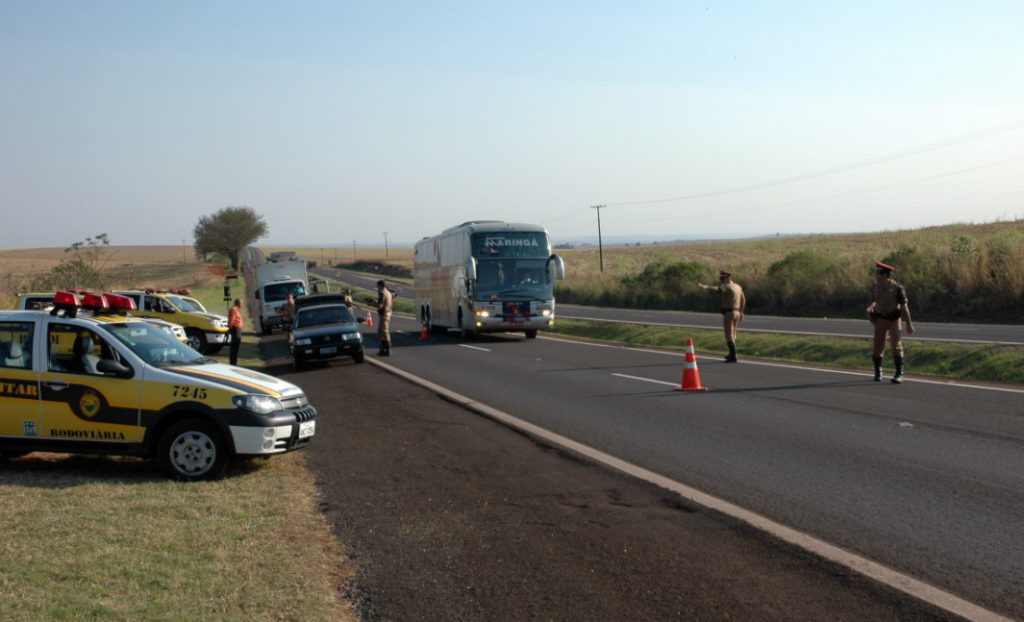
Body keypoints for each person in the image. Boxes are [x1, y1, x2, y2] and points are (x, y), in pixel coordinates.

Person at [866, 261, 915, 383]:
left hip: (894, 319)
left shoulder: (898, 288)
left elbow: (904, 307)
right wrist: (869, 308)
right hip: (880, 319)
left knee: (896, 346)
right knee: (877, 347)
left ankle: (899, 373)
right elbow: (874, 301)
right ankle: (878, 371)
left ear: (884, 274)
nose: (876, 275)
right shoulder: (875, 287)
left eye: (878, 273)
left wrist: (909, 324)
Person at [698, 271, 746, 363]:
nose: (722, 280)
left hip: (729, 313)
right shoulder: (738, 286)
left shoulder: (726, 286)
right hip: (737, 312)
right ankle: (731, 354)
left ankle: (733, 356)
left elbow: (718, 289)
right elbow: (743, 299)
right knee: (733, 334)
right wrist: (741, 312)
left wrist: (706, 287)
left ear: (728, 278)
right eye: (721, 279)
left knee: (729, 335)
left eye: (722, 278)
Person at [375, 280, 393, 356]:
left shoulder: (382, 293)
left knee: (382, 332)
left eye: (378, 286)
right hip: (388, 313)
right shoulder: (388, 292)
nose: (377, 288)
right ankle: (385, 349)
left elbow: (380, 305)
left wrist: (371, 302)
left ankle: (385, 350)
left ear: (381, 286)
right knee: (384, 332)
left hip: (384, 314)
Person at [228, 298, 244, 365]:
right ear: (239, 303)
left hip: (237, 329)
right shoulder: (234, 310)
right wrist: (230, 328)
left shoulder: (236, 309)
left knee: (236, 346)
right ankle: (233, 363)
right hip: (235, 329)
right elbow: (232, 320)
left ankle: (234, 362)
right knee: (234, 346)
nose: (242, 305)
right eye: (241, 303)